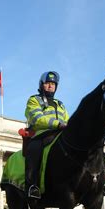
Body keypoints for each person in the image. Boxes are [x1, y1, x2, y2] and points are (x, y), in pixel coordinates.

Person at [24, 71, 69, 201]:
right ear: (42, 85)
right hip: (40, 135)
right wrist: (58, 124)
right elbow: (37, 119)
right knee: (34, 150)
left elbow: (67, 120)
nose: (50, 86)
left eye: (53, 84)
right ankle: (32, 186)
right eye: (48, 83)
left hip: (59, 134)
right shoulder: (34, 100)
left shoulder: (60, 104)